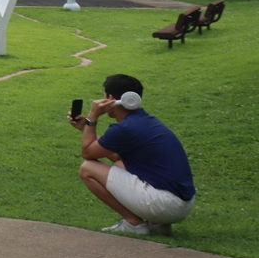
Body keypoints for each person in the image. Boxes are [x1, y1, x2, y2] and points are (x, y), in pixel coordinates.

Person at [67, 75, 195, 235]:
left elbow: (87, 152)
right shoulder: (143, 120)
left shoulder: (125, 128)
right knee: (119, 162)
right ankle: (158, 225)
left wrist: (92, 117)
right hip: (181, 204)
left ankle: (134, 224)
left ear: (110, 98)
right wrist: (84, 128)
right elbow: (112, 154)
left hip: (165, 204)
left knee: (88, 168)